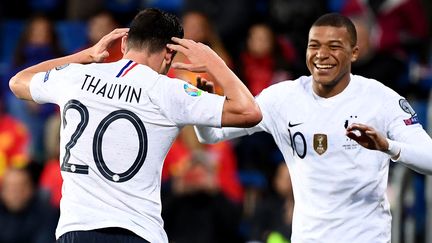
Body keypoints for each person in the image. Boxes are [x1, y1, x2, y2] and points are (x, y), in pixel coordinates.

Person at [9, 8, 261, 243]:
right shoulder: (168, 90)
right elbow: (249, 111)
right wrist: (215, 62)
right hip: (138, 230)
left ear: (123, 43)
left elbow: (19, 81)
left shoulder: (75, 76)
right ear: (169, 54)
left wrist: (84, 56)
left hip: (77, 230)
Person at [194, 13, 432, 242]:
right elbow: (212, 135)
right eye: (314, 45)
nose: (322, 54)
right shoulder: (282, 98)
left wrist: (388, 147)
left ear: (354, 53)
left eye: (334, 46)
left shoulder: (382, 100)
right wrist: (203, 109)